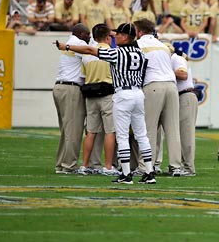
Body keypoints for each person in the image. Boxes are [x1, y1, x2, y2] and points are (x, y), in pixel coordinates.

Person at [55, 23, 156, 184]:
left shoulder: (117, 53)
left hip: (123, 94)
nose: (115, 36)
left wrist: (66, 46)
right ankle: (149, 172)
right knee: (141, 134)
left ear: (125, 36)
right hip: (138, 93)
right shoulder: (140, 53)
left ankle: (126, 174)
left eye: (118, 34)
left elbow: (90, 50)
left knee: (122, 136)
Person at [133, 19, 182, 176]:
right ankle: (176, 167)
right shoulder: (162, 45)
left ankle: (145, 167)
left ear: (139, 32)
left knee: (149, 129)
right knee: (173, 130)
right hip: (171, 87)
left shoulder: (138, 44)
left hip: (153, 86)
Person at [77, 24, 118, 176]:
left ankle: (85, 165)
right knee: (110, 131)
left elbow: (83, 77)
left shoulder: (87, 56)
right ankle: (108, 166)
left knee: (91, 132)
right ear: (108, 37)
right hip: (107, 94)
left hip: (91, 94)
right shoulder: (112, 53)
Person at [52, 24, 90, 174]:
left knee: (66, 130)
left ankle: (61, 164)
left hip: (59, 87)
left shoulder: (69, 41)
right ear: (81, 33)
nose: (89, 38)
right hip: (71, 89)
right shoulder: (79, 44)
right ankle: (69, 166)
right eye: (87, 35)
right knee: (74, 130)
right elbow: (90, 52)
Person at [171, 47, 198, 176]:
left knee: (186, 134)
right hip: (181, 96)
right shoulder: (176, 59)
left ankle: (188, 167)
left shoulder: (176, 59)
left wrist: (167, 71)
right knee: (181, 133)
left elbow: (183, 75)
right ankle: (182, 165)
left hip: (185, 96)